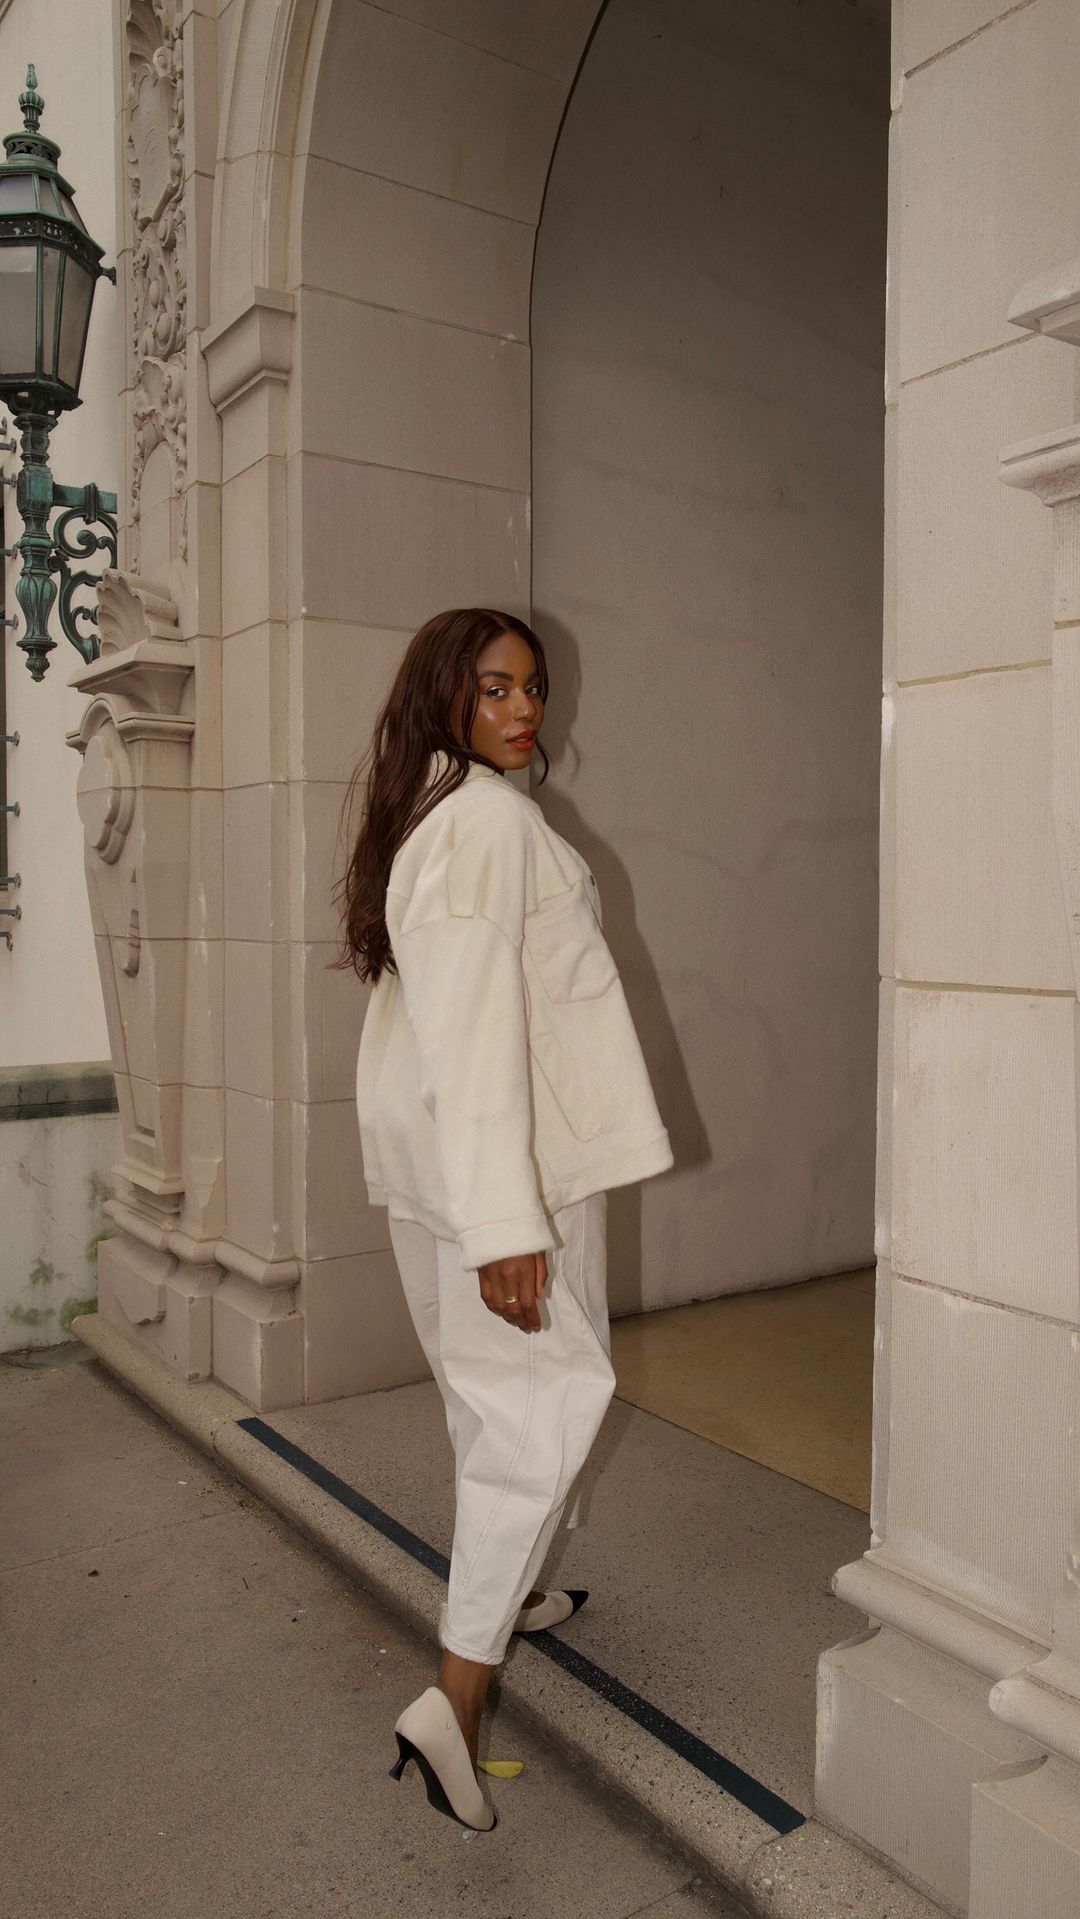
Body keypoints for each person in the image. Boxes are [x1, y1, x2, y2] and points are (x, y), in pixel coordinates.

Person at [335, 608, 673, 1831]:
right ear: (446, 697)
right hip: (507, 1175)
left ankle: (513, 1587)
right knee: (538, 1410)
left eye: (531, 686)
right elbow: (476, 1033)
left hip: (447, 1168)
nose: (525, 708)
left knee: (492, 1403)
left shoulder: (433, 811)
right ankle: (455, 1697)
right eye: (494, 688)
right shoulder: (486, 822)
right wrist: (504, 1226)